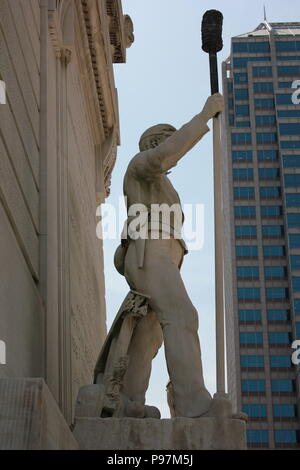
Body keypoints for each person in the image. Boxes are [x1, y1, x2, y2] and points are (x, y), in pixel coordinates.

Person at [114, 93, 224, 418]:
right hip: (150, 254)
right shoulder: (141, 166)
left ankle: (125, 402)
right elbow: (168, 153)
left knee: (148, 335)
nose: (174, 146)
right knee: (183, 316)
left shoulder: (163, 186)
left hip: (163, 258)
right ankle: (194, 404)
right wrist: (205, 115)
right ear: (152, 143)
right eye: (166, 139)